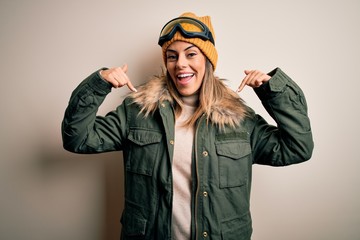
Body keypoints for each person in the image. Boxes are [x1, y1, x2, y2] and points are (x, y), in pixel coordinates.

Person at [62, 12, 313, 240]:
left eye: (191, 54)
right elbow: (78, 138)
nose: (180, 63)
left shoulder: (239, 119)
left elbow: (297, 148)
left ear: (207, 61)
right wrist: (98, 84)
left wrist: (273, 91)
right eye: (172, 56)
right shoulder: (137, 113)